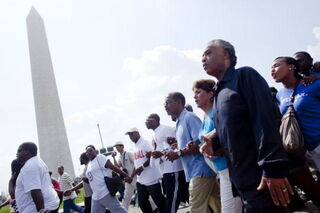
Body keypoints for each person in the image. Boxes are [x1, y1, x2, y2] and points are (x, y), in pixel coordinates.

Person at [201, 39, 293, 213]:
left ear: (226, 54)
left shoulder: (244, 76)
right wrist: (213, 142)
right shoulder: (220, 92)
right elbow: (231, 128)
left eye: (208, 53)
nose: (203, 59)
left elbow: (264, 120)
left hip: (262, 179)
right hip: (242, 181)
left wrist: (272, 168)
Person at [271, 56, 320, 208]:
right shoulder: (280, 95)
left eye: (277, 66)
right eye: (271, 68)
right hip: (307, 151)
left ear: (292, 66)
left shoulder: (314, 84)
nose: (272, 70)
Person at [164, 92, 221, 213]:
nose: (165, 105)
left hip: (200, 171)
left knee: (196, 208)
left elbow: (201, 143)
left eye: (168, 102)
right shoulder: (179, 121)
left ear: (179, 102)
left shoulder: (189, 117)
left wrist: (178, 153)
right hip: (198, 171)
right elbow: (190, 144)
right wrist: (176, 149)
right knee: (218, 207)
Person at [193, 79, 242, 213]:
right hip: (222, 172)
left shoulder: (217, 112)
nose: (194, 96)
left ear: (210, 94)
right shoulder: (206, 116)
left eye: (198, 92)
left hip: (231, 171)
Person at [146, 113, 188, 213]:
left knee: (172, 198)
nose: (146, 122)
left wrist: (162, 153)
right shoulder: (155, 132)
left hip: (174, 168)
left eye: (148, 120)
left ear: (155, 120)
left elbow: (176, 144)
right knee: (172, 197)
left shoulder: (166, 129)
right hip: (165, 170)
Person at [66, 145, 129, 213]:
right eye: (87, 152)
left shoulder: (100, 158)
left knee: (118, 211)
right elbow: (88, 181)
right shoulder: (89, 165)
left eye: (90, 150)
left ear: (95, 151)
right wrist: (72, 189)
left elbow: (113, 167)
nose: (88, 153)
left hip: (105, 193)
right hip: (96, 197)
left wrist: (125, 175)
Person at [125, 128, 165, 213]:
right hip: (141, 180)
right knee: (142, 203)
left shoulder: (145, 142)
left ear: (137, 133)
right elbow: (136, 164)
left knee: (159, 202)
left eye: (131, 134)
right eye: (129, 135)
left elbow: (152, 156)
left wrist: (142, 167)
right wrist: (131, 176)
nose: (130, 137)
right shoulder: (135, 146)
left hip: (151, 178)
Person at [15, 142, 59, 213]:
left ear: (26, 152)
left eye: (19, 151)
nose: (17, 154)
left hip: (36, 209)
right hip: (49, 204)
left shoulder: (29, 167)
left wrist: (41, 211)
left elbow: (35, 190)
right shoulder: (38, 161)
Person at [112, 141, 136, 211]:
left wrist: (132, 176)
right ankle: (123, 211)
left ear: (122, 146)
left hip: (134, 178)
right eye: (116, 147)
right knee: (126, 197)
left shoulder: (128, 153)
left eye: (118, 147)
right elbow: (117, 167)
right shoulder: (120, 157)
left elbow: (136, 164)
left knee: (143, 192)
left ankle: (155, 208)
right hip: (128, 179)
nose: (117, 148)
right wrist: (113, 157)